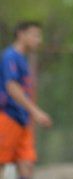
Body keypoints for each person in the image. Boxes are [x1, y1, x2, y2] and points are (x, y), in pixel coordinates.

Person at [0, 21, 52, 179]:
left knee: (27, 165)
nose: (39, 40)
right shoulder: (10, 56)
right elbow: (11, 86)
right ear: (21, 34)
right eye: (35, 35)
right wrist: (35, 111)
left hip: (23, 120)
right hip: (8, 116)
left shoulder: (23, 60)